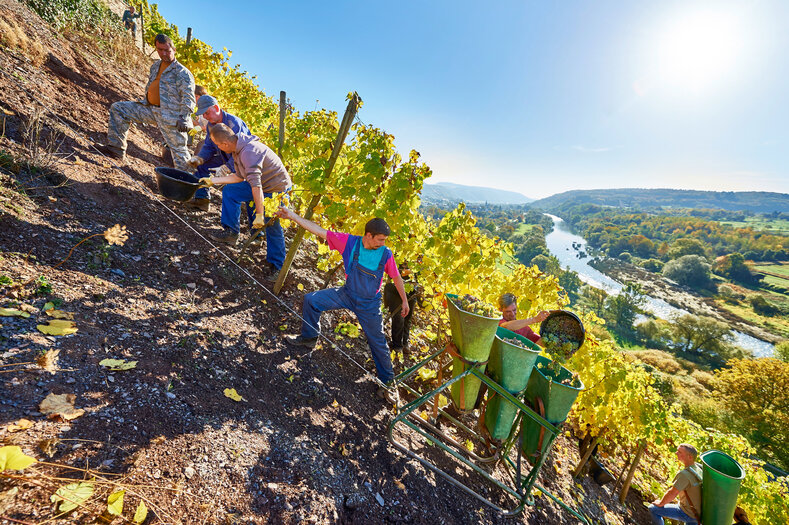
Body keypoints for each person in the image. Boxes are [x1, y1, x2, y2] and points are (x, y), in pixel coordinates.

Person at [275, 207, 410, 396]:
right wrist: (292, 216)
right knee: (311, 300)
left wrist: (404, 301)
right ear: (369, 236)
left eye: (385, 240)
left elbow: (396, 278)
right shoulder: (350, 243)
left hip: (369, 304)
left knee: (378, 342)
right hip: (347, 294)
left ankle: (387, 383)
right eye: (380, 239)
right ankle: (309, 337)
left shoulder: (386, 254)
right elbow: (319, 230)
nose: (383, 243)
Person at [198, 124, 290, 274]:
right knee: (231, 191)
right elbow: (239, 177)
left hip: (276, 189)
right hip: (261, 185)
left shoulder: (248, 152)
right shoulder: (237, 149)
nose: (218, 147)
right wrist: (212, 181)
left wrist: (259, 214)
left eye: (217, 145)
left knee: (271, 223)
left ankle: (277, 266)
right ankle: (231, 232)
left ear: (225, 144)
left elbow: (256, 186)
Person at [98, 34, 195, 172]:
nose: (163, 53)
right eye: (160, 50)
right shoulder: (155, 66)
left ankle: (187, 183)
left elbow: (189, 97)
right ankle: (116, 149)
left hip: (172, 117)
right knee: (119, 109)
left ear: (174, 49)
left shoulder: (182, 73)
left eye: (167, 50)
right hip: (150, 109)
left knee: (179, 150)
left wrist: (184, 117)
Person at [184, 95, 251, 211]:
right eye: (203, 114)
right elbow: (209, 146)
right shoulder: (211, 125)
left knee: (232, 189)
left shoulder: (234, 124)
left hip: (243, 161)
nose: (205, 116)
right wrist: (199, 158)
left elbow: (241, 151)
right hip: (224, 157)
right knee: (202, 166)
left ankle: (234, 223)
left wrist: (228, 167)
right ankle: (202, 201)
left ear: (216, 108)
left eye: (207, 113)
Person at [649, 444, 703, 525]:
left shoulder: (685, 474)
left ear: (690, 457)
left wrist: (661, 503)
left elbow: (672, 493)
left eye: (680, 452)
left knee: (653, 509)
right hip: (698, 515)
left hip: (687, 513)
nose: (676, 453)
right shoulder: (698, 469)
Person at [383, 261, 419, 353]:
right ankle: (398, 345)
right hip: (396, 287)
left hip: (411, 290)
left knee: (406, 317)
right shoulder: (397, 253)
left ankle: (403, 344)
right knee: (400, 316)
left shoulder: (418, 255)